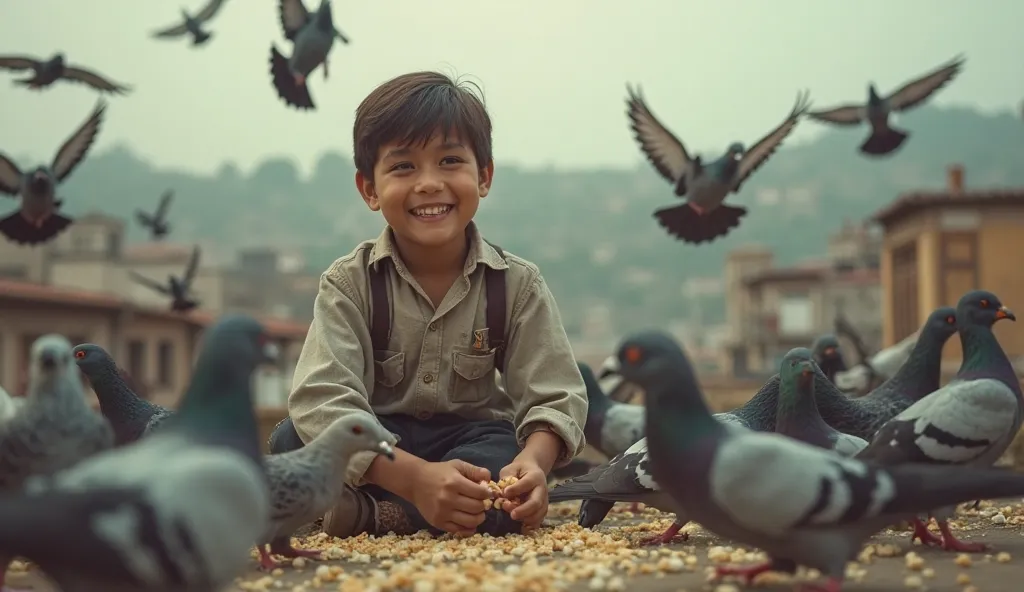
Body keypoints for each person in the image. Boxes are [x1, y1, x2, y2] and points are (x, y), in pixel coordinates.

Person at [270, 70, 588, 539]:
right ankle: (404, 503)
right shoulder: (349, 283)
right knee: (290, 440)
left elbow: (555, 393)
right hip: (377, 443)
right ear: (369, 189)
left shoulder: (516, 285)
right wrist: (413, 478)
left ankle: (369, 516)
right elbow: (322, 398)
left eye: (450, 160)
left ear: (483, 176)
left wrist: (532, 464)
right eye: (403, 167)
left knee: (501, 487)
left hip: (470, 442)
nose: (429, 183)